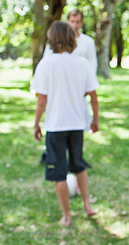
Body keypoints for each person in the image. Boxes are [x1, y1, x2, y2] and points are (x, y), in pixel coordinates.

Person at [31, 21, 99, 227]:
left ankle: (67, 217)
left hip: (55, 126)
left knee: (59, 173)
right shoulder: (82, 64)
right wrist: (95, 119)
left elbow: (41, 100)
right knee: (79, 165)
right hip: (77, 124)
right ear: (72, 38)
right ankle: (88, 206)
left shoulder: (46, 64)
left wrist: (36, 124)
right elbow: (93, 96)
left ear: (52, 39)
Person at [40, 9, 97, 166]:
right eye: (72, 21)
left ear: (81, 22)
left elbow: (92, 65)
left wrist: (86, 87)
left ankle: (76, 158)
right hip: (57, 89)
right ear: (68, 21)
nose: (74, 24)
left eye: (78, 21)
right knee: (54, 119)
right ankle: (50, 153)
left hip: (77, 89)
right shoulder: (53, 44)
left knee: (77, 121)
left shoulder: (88, 43)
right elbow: (46, 63)